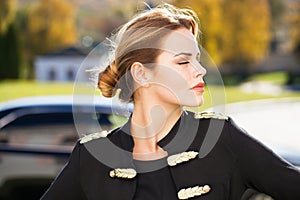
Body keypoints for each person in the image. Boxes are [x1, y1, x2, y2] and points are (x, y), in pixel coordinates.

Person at [41, 3, 300, 200]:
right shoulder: (90, 157)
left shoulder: (223, 138)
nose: (200, 70)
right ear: (141, 73)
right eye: (183, 61)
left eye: (197, 59)